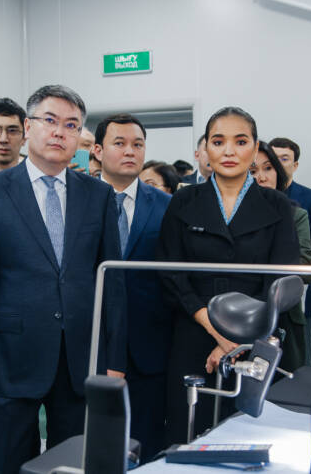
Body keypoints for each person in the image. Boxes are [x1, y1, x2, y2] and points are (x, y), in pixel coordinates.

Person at [0, 85, 127, 473]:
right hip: (10, 359)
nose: (59, 132)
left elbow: (112, 285)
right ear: (28, 127)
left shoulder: (98, 195)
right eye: (50, 120)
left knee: (74, 463)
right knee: (3, 462)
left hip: (80, 359)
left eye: (71, 125)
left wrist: (114, 359)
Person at [158, 107, 301, 445]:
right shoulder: (183, 200)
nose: (229, 151)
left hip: (257, 339)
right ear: (206, 148)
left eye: (240, 141)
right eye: (218, 141)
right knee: (188, 435)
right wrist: (215, 330)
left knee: (249, 439)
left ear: (255, 148)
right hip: (193, 331)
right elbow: (170, 271)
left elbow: (281, 279)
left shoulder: (277, 204)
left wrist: (238, 340)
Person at [94, 113, 172, 460]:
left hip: (149, 346)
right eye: (120, 143)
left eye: (137, 144)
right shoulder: (79, 201)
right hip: (93, 342)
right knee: (94, 444)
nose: (130, 151)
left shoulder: (167, 206)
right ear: (98, 151)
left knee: (147, 442)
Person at [269, 136, 311, 364]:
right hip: (260, 301)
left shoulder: (310, 199)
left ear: (295, 165)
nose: (278, 164)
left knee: (298, 360)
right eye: (273, 159)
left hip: (300, 293)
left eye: (284, 158)